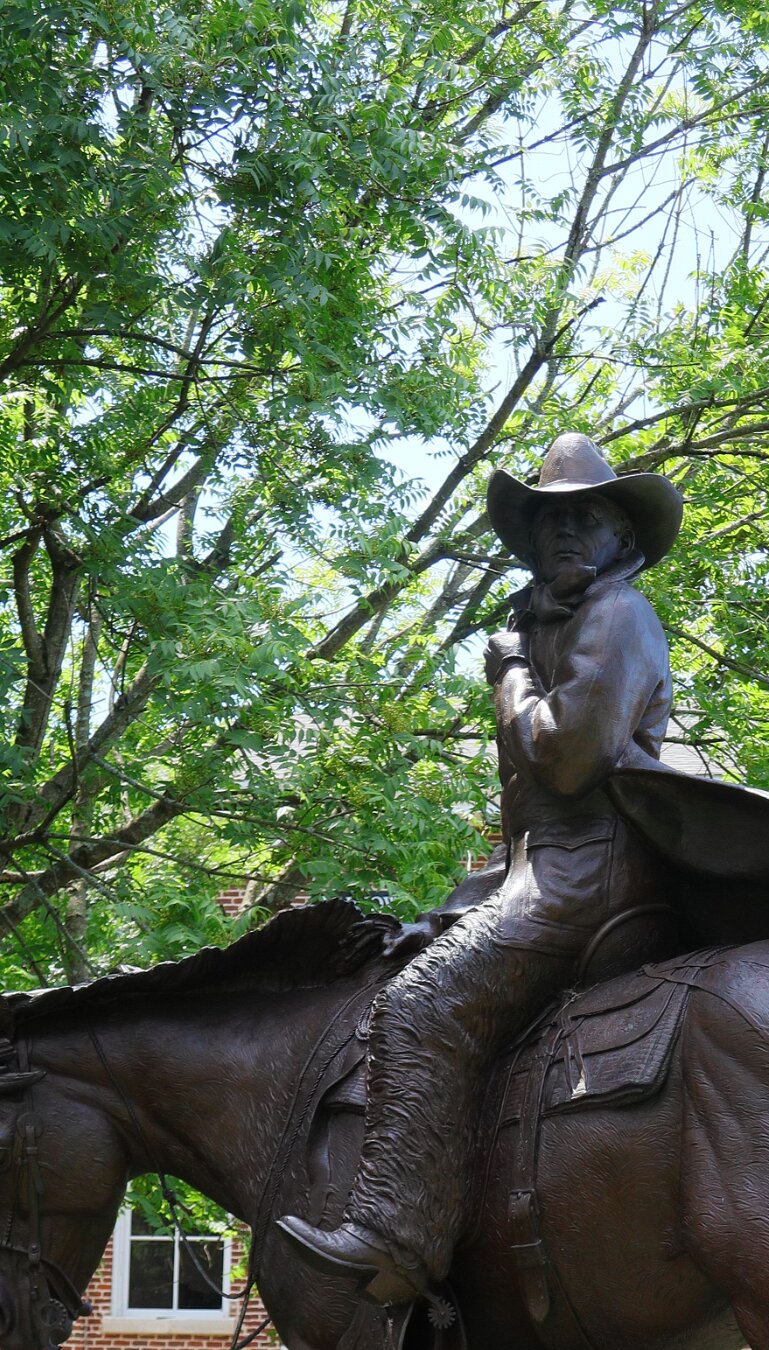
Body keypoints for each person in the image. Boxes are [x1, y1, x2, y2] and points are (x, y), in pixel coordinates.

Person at [279, 433, 685, 1305]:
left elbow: (566, 760)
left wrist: (509, 674)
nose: (564, 531)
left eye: (585, 516)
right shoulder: (557, 620)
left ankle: (398, 1236)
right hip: (538, 870)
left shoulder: (618, 616)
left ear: (621, 534)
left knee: (417, 1007)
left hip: (588, 878)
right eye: (548, 520)